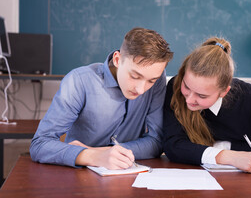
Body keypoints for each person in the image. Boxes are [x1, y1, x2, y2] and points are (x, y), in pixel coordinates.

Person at [30, 27, 173, 169]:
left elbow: (157, 141)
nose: (141, 90)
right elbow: (40, 144)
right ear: (117, 60)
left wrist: (107, 152)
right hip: (79, 177)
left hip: (128, 174)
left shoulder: (157, 77)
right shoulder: (79, 81)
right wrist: (91, 156)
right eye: (135, 76)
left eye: (151, 81)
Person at [163, 37, 251, 173]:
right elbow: (173, 146)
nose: (188, 100)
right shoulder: (175, 87)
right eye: (187, 87)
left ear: (224, 92)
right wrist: (227, 156)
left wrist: (226, 146)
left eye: (202, 96)